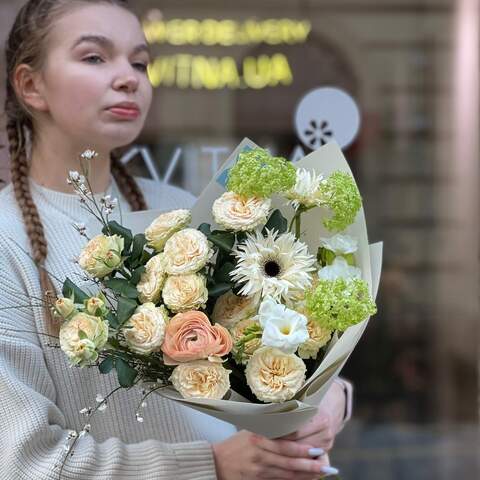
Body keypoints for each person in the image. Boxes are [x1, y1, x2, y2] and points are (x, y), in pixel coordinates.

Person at [0, 1, 352, 479]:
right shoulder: (6, 239)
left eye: (140, 62)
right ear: (30, 85)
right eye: (94, 57)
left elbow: (275, 341)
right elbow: (24, 462)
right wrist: (210, 465)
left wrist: (326, 400)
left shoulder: (183, 209)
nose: (129, 78)